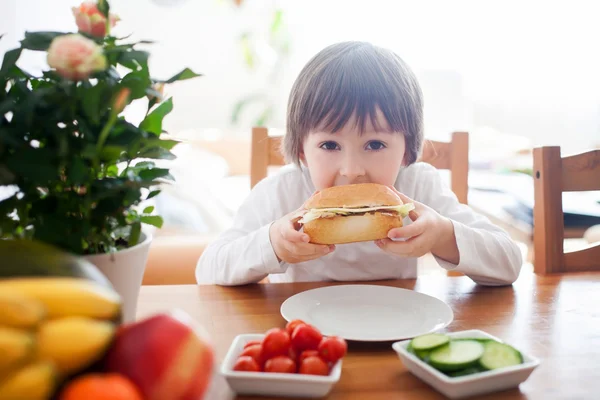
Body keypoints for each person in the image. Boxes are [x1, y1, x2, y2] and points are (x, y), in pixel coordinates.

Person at [196, 41, 522, 286]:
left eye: (375, 144)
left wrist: (442, 235)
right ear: (301, 150)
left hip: (396, 329)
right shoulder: (280, 193)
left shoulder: (419, 186)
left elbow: (509, 262)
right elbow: (207, 270)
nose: (352, 169)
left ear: (409, 149)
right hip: (306, 337)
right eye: (330, 145)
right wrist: (273, 244)